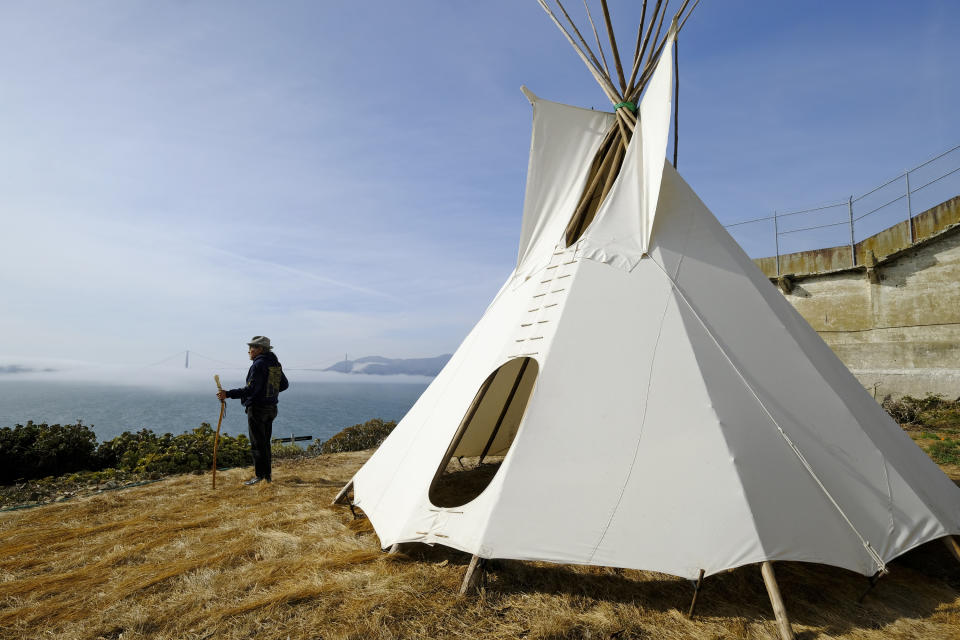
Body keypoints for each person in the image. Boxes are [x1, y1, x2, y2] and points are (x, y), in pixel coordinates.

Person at [217, 336, 289, 485]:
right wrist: (269, 392)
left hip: (257, 409)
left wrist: (228, 394)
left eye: (252, 347)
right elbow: (284, 385)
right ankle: (267, 476)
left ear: (260, 349)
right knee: (265, 443)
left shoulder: (258, 365)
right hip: (271, 408)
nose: (249, 351)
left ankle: (260, 476)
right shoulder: (274, 363)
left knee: (257, 444)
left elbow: (250, 389)